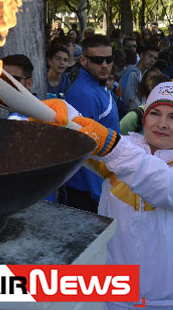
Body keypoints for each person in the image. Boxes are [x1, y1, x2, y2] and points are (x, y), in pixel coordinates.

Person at [44, 75, 173, 310]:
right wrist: (60, 116)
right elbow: (82, 135)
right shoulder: (127, 147)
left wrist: (112, 148)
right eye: (155, 113)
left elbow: (168, 188)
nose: (161, 123)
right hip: (117, 289)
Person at [64, 34, 120, 213]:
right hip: (89, 191)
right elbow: (84, 147)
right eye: (97, 60)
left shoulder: (97, 86)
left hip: (100, 183)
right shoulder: (84, 94)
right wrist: (100, 195)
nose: (104, 65)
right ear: (83, 60)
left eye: (108, 59)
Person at [121, 45, 158, 109]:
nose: (152, 60)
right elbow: (130, 99)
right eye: (150, 56)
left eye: (155, 58)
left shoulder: (146, 73)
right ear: (141, 56)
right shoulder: (132, 74)